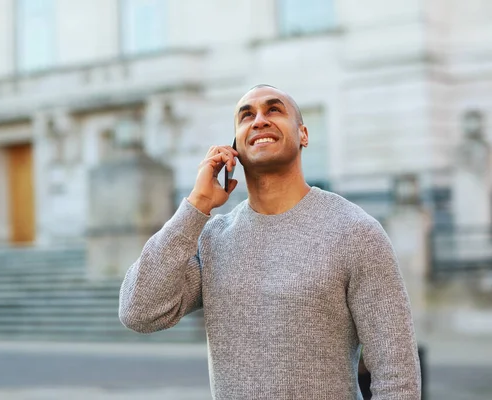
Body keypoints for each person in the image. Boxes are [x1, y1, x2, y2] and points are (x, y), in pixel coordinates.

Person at [119, 84, 421, 399]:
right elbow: (139, 311)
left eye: (274, 110)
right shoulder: (213, 239)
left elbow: (397, 376)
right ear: (234, 146)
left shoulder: (356, 232)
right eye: (246, 116)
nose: (259, 120)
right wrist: (196, 206)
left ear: (303, 134)